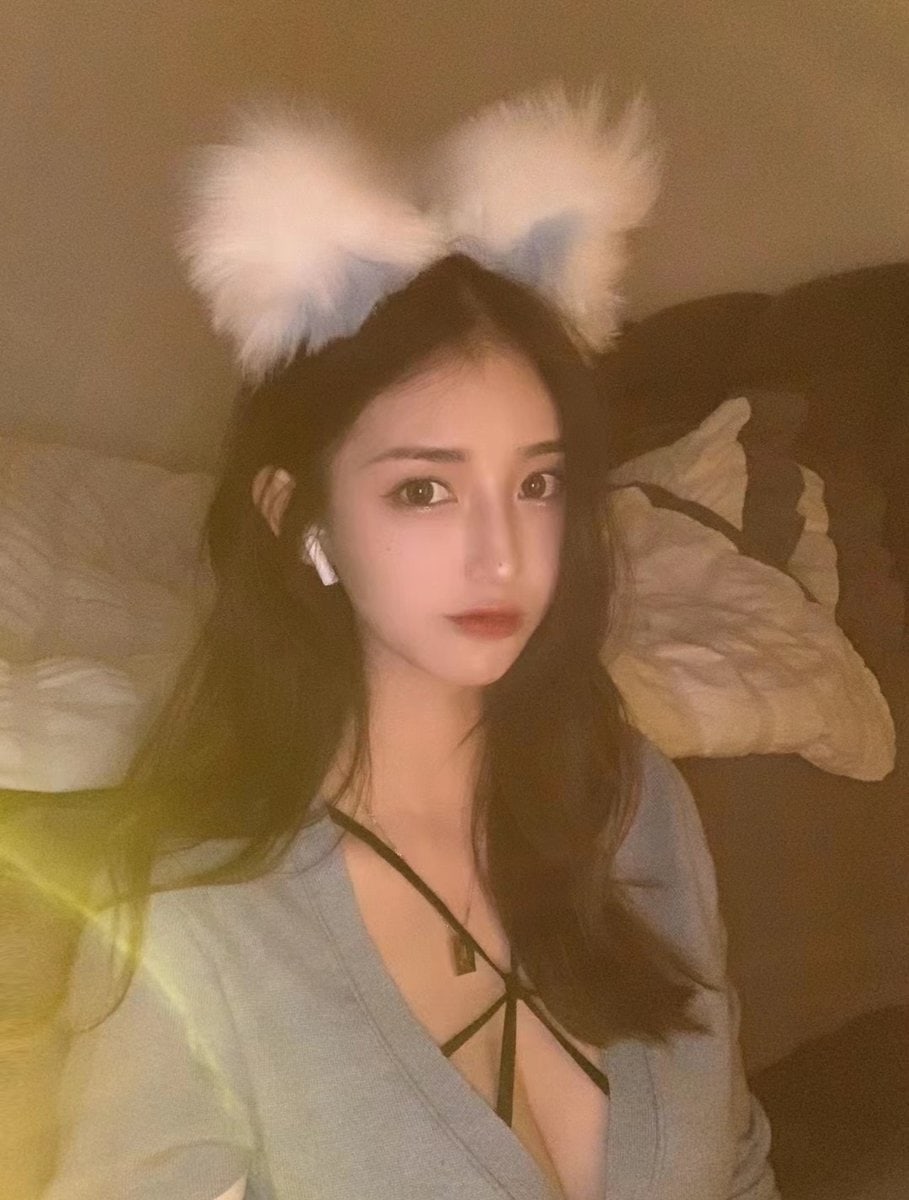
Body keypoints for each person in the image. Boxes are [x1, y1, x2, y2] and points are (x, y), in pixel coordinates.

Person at [42, 84, 781, 1199]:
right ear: (302, 517)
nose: (501, 555)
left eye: (536, 483)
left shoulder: (640, 808)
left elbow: (737, 1165)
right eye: (425, 490)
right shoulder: (195, 928)